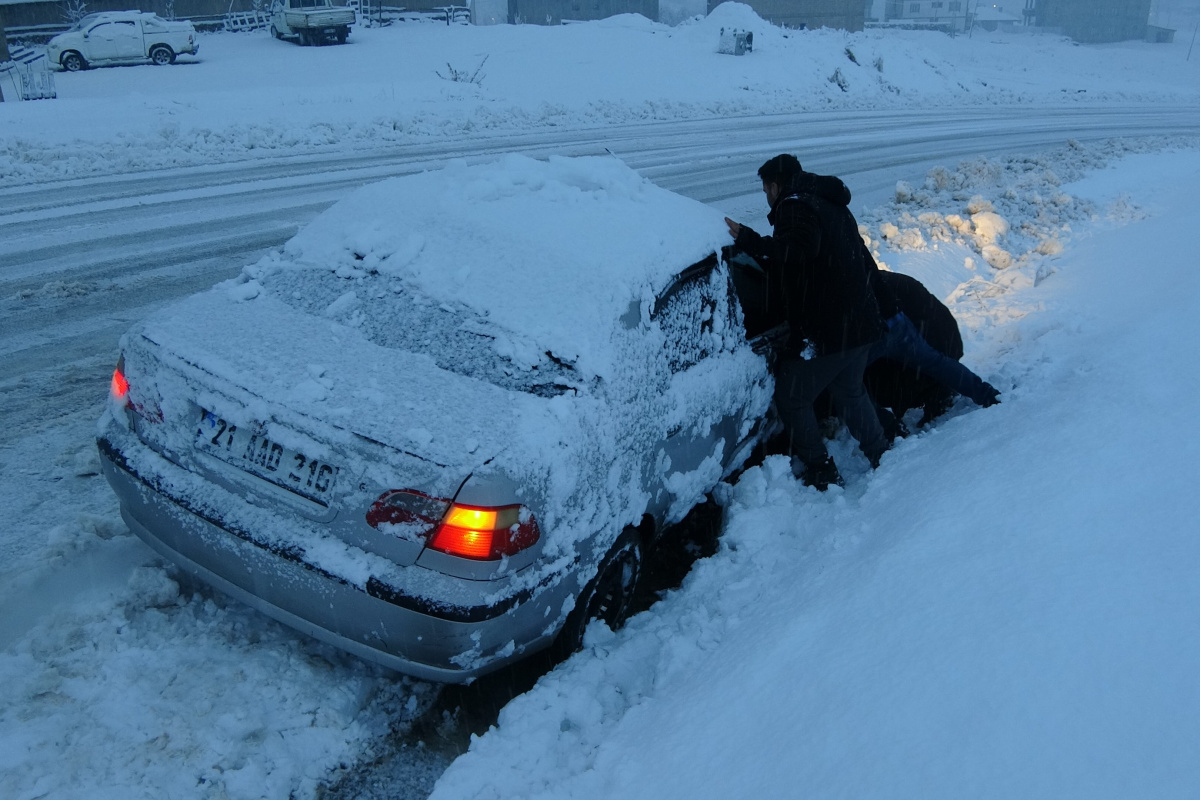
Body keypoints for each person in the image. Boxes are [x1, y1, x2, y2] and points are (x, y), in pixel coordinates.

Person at [725, 154, 888, 490]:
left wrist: (750, 240)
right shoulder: (828, 200)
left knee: (792, 397)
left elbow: (798, 252)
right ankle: (882, 455)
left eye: (766, 190)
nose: (767, 198)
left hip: (832, 327)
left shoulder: (795, 205)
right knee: (850, 392)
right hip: (860, 318)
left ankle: (820, 467)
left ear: (774, 186)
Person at [866, 267, 1001, 427]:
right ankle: (985, 393)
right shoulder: (882, 280)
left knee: (850, 383)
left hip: (930, 338)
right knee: (934, 362)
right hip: (935, 337)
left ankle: (890, 428)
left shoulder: (863, 288)